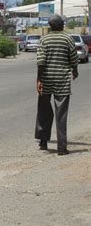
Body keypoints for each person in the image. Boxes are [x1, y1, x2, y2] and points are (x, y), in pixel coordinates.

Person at [35, 14, 79, 155]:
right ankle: (61, 147)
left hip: (46, 80)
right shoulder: (68, 38)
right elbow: (74, 58)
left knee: (43, 111)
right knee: (61, 114)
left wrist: (39, 80)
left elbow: (40, 62)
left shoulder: (44, 39)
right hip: (62, 81)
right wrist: (75, 70)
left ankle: (43, 142)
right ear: (60, 25)